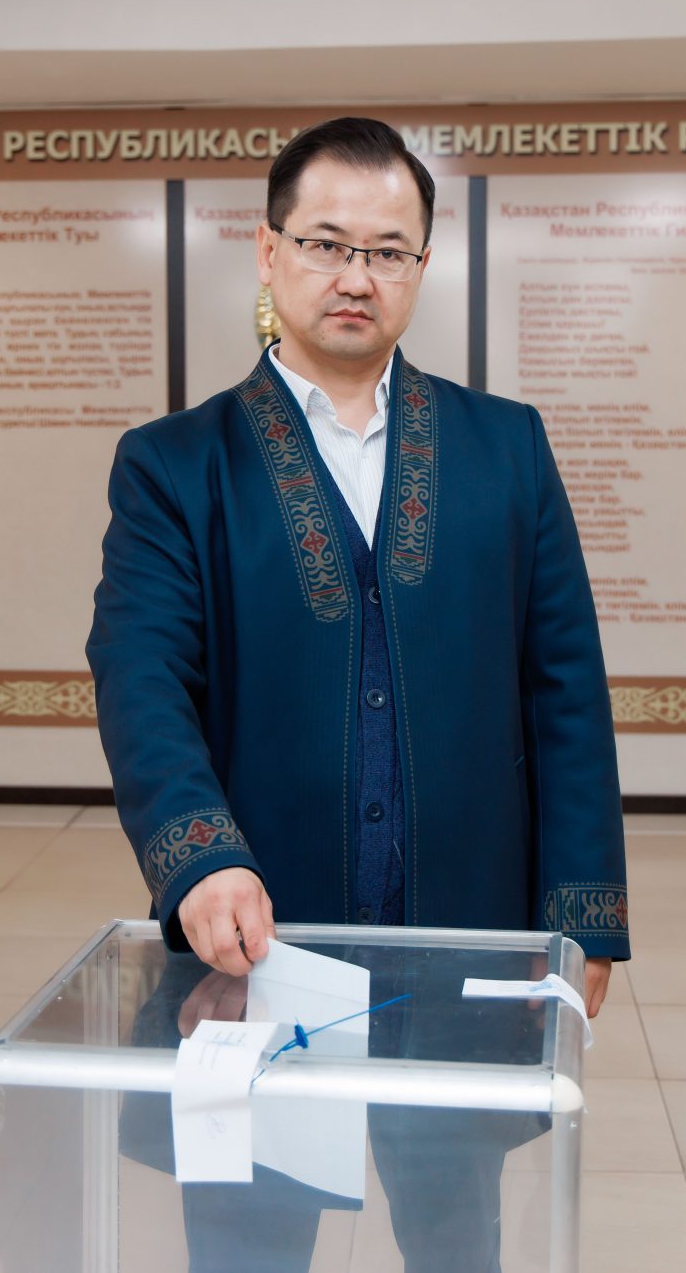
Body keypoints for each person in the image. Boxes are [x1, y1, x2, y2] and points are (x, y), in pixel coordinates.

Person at [86, 116, 629, 1265]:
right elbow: (141, 673)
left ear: (421, 267)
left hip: (465, 938)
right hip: (259, 942)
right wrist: (198, 856)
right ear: (267, 250)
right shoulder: (175, 465)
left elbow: (565, 687)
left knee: (456, 1232)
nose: (354, 275)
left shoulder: (504, 449)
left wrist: (583, 916)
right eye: (325, 242)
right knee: (248, 1235)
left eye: (386, 251)